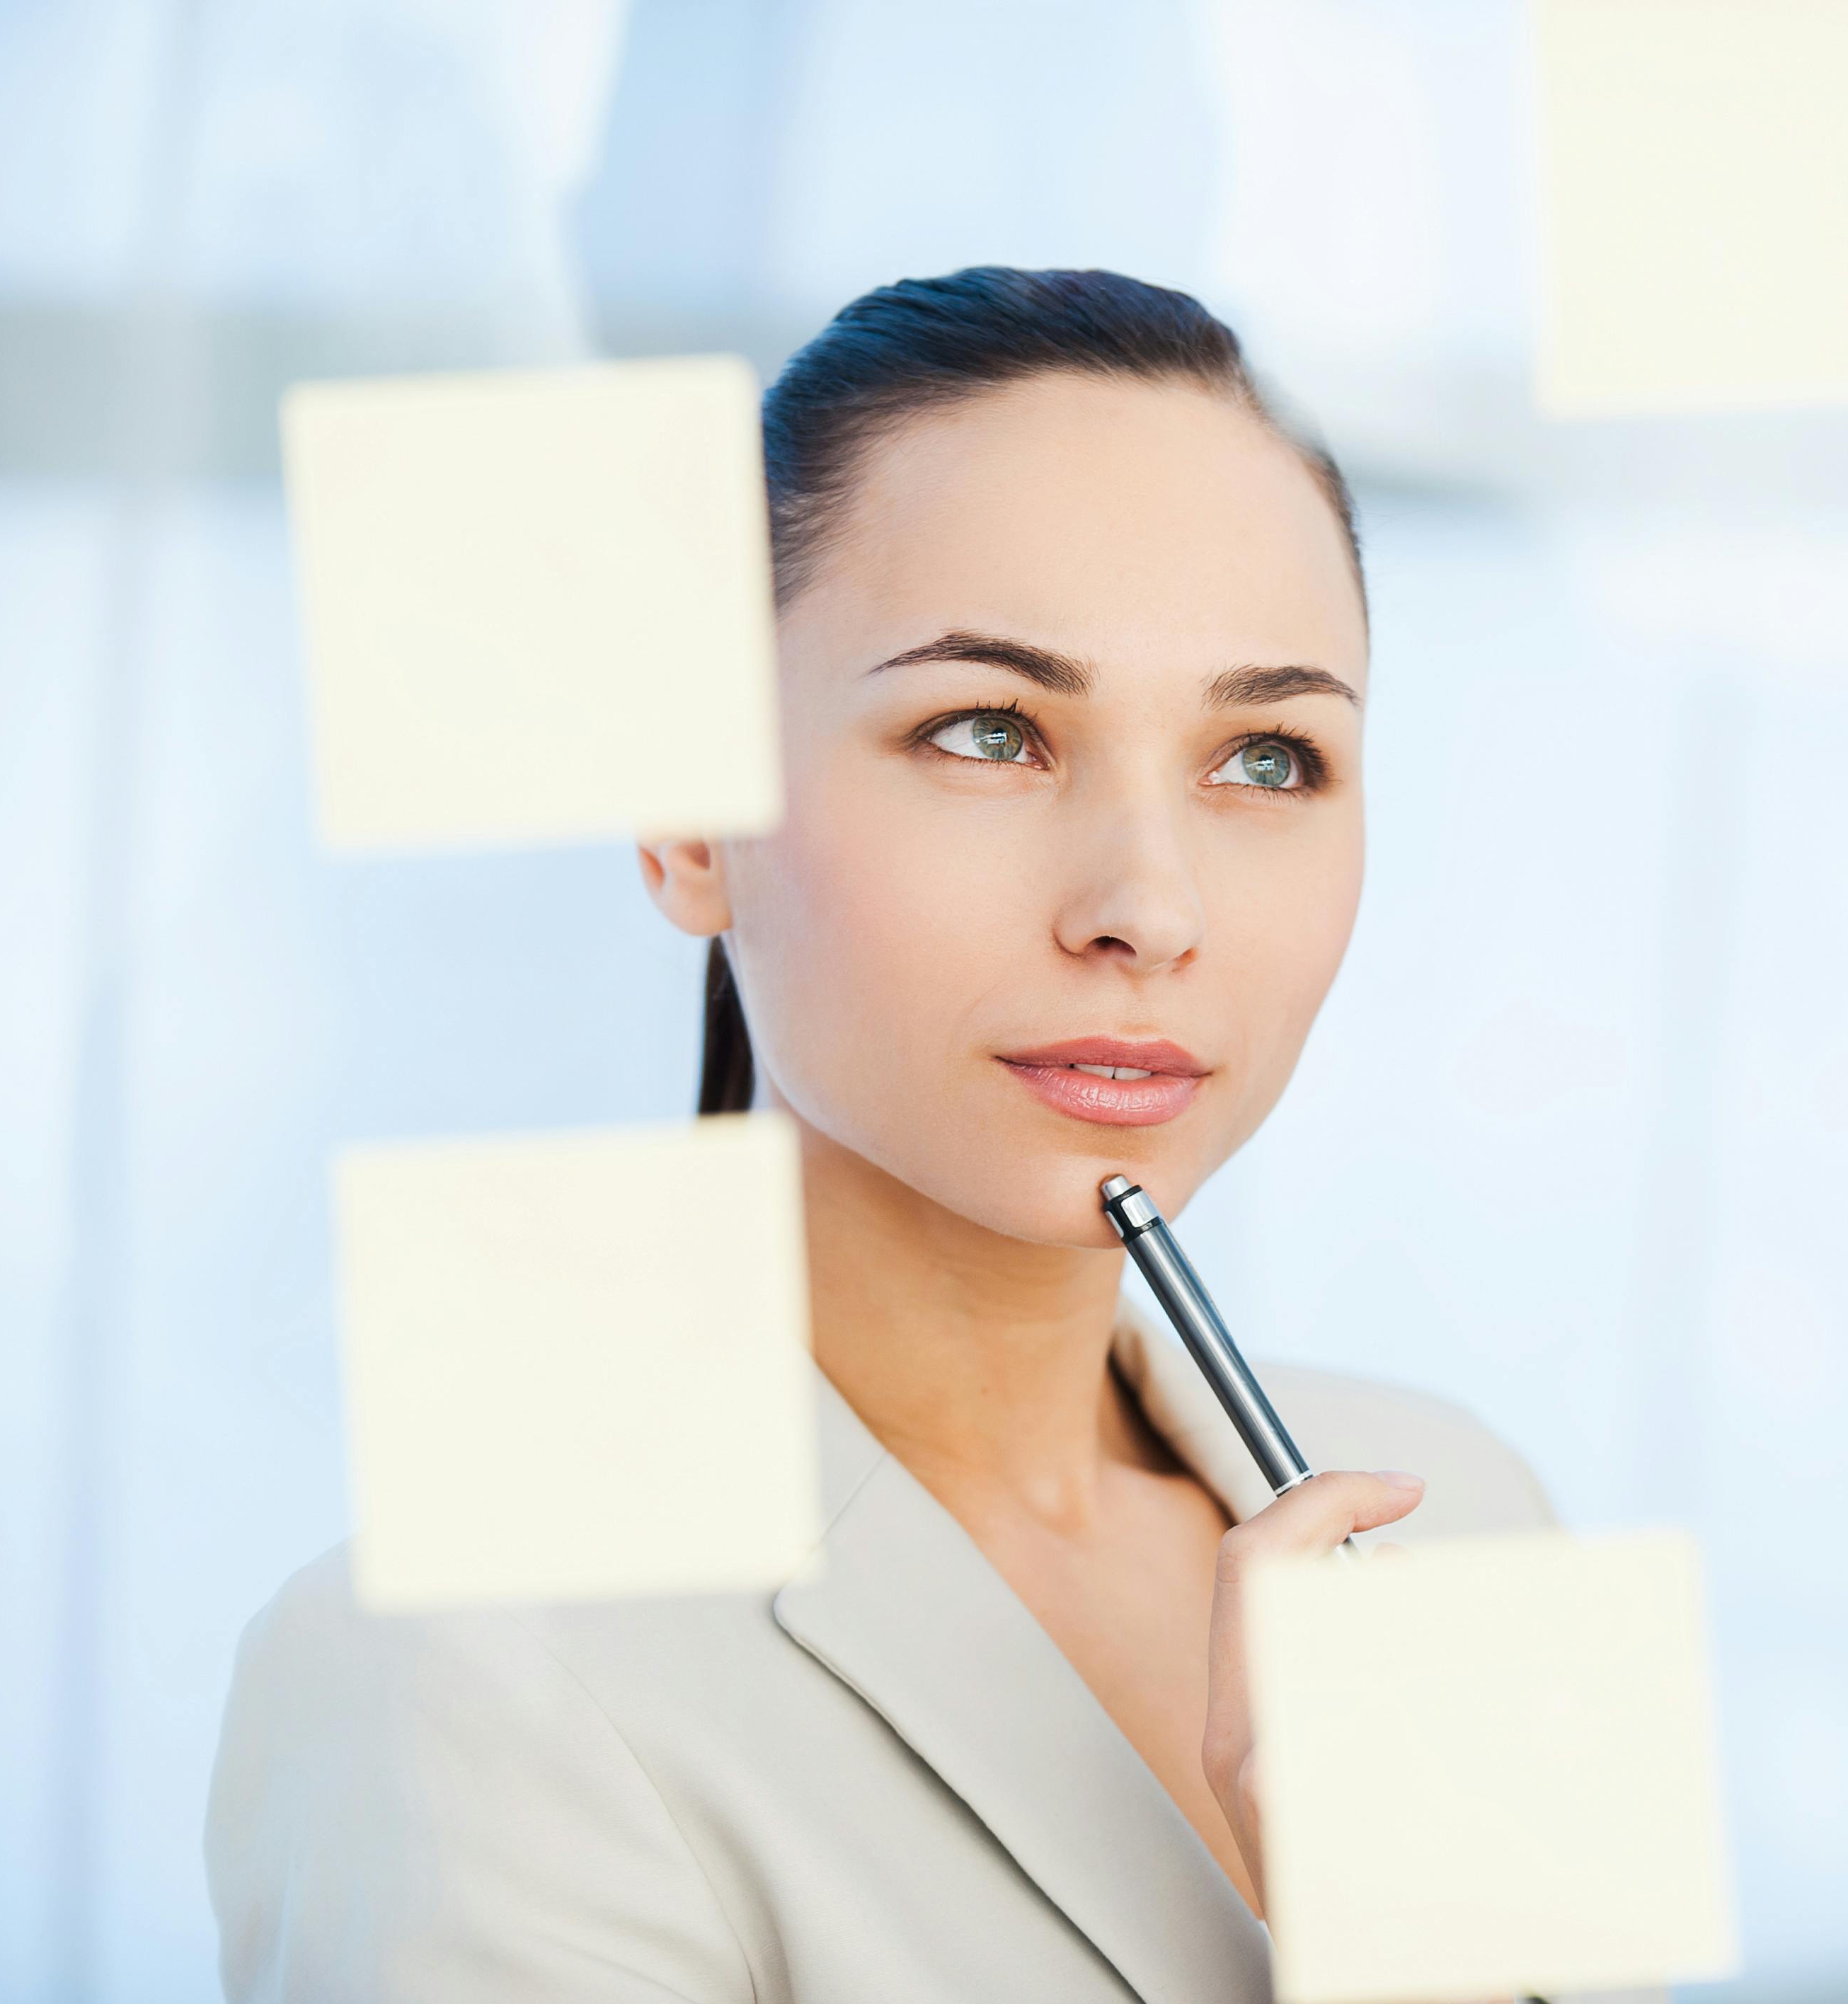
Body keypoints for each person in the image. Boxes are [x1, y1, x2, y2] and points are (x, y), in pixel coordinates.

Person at [205, 267, 1629, 2003]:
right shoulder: (453, 1686)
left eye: (1266, 758)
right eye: (990, 731)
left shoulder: (1466, 1516)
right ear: (691, 819)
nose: (1148, 908)